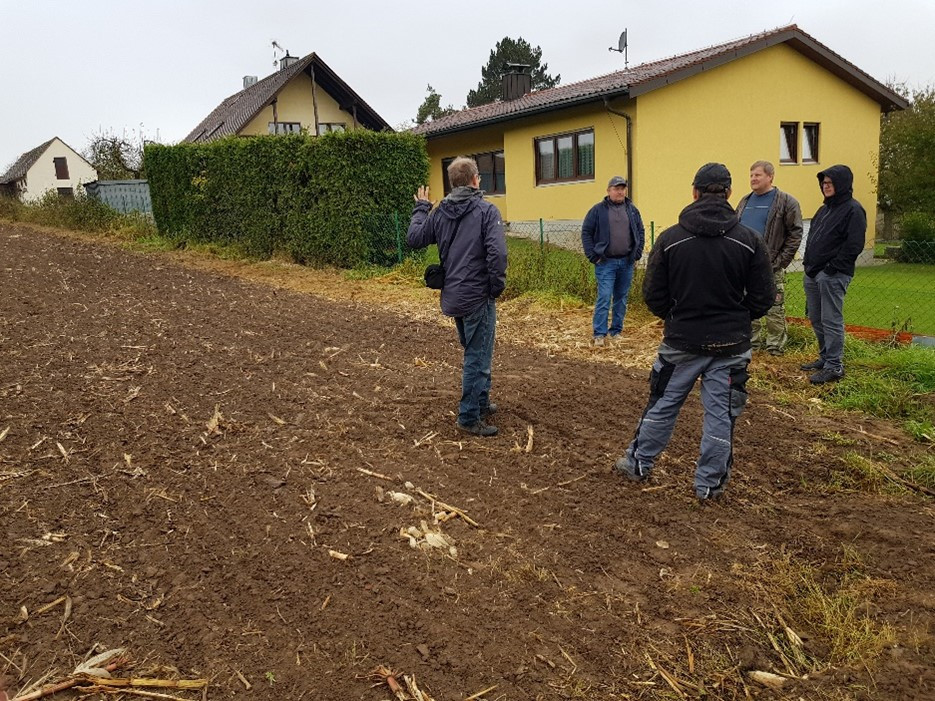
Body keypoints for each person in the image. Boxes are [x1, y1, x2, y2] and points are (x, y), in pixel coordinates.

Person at [613, 163, 774, 503]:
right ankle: (709, 487)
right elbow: (762, 298)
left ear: (695, 192)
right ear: (729, 193)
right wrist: (737, 319)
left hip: (681, 342)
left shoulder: (671, 239)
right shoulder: (750, 241)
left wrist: (675, 316)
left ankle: (638, 463)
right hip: (730, 346)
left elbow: (653, 293)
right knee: (721, 416)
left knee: (663, 404)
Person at [407, 156, 508, 437]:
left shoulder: (439, 212)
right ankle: (468, 417)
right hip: (477, 296)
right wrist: (496, 287)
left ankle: (481, 401)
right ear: (476, 179)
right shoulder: (487, 211)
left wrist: (421, 207)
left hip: (454, 296)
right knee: (477, 356)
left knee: (477, 351)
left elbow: (414, 238)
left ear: (453, 182)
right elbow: (497, 255)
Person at [800, 165, 866, 384]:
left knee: (831, 320)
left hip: (833, 275)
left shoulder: (853, 210)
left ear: (842, 184)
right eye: (824, 183)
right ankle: (825, 357)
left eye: (830, 183)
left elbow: (854, 245)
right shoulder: (824, 209)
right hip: (813, 273)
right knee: (817, 319)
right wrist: (810, 266)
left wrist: (831, 269)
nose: (826, 187)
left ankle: (834, 366)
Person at [735, 160, 803, 355]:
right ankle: (752, 343)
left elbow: (795, 234)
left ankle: (775, 346)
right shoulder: (744, 201)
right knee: (747, 305)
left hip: (770, 265)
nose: (753, 179)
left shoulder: (786, 202)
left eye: (757, 175)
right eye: (751, 175)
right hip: (745, 266)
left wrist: (780, 261)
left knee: (774, 306)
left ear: (770, 177)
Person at [581, 176, 645, 346]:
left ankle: (616, 331)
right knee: (604, 297)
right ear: (608, 190)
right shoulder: (598, 210)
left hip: (626, 262)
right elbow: (586, 232)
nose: (620, 191)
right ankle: (599, 334)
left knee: (621, 298)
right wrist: (593, 255)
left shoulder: (632, 210)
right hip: (605, 263)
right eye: (616, 188)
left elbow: (640, 230)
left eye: (622, 188)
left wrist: (637, 252)